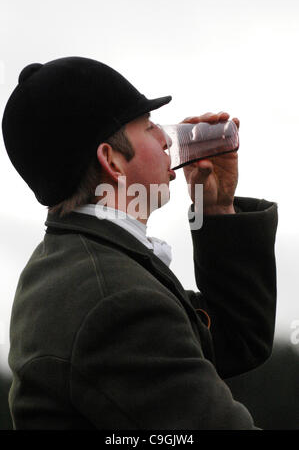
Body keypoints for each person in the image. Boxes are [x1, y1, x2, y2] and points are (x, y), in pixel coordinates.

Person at [2, 57, 278, 430]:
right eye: (149, 127)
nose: (167, 138)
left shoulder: (80, 264)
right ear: (111, 161)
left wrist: (216, 207)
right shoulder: (115, 302)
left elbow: (235, 340)